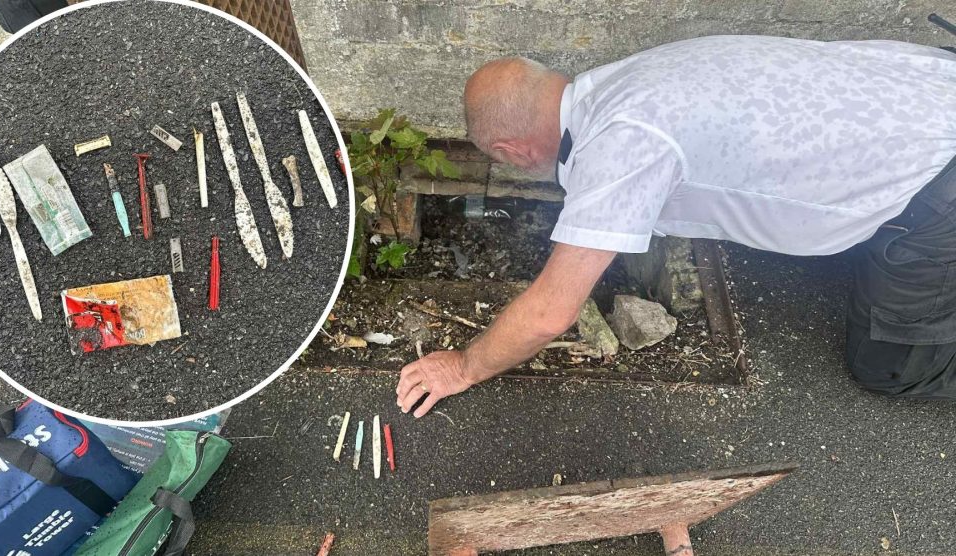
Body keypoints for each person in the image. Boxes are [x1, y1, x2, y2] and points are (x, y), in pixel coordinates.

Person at [396, 34, 956, 417]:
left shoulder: (619, 146)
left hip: (934, 179)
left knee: (888, 369)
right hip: (927, 80)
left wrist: (464, 365)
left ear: (509, 150)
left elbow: (550, 312)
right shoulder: (615, 83)